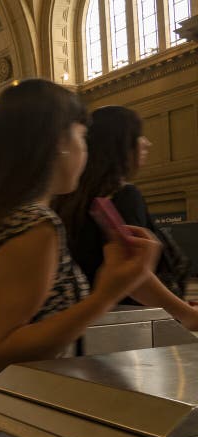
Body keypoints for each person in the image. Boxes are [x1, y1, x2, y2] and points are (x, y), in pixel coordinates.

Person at [0, 79, 160, 437]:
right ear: (58, 143)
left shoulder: (0, 214)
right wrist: (106, 295)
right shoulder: (35, 225)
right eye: (82, 138)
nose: (86, 152)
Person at [54, 105, 198, 329]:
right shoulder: (124, 195)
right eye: (138, 136)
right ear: (120, 145)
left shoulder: (71, 200)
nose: (146, 143)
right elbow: (134, 275)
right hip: (133, 328)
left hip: (91, 325)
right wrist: (187, 314)